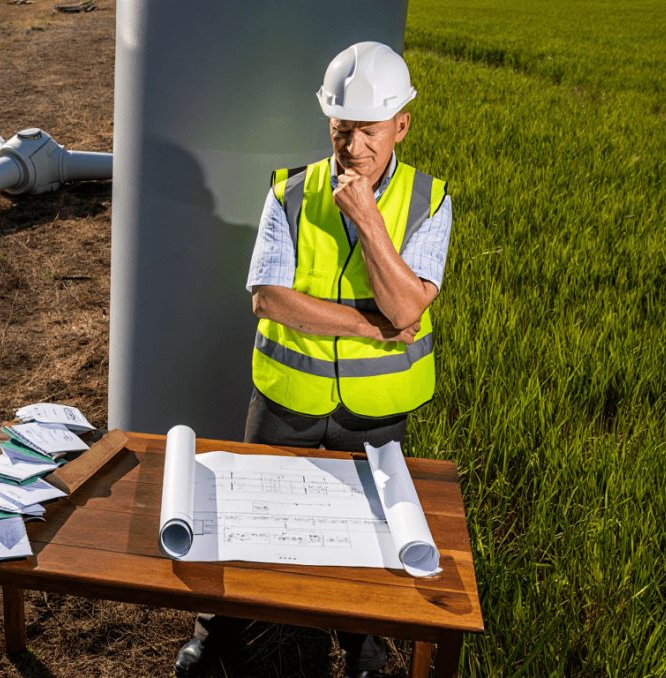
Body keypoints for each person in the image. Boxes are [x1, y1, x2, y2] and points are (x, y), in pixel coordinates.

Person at [174, 41, 454, 678]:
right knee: (243, 517)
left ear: (401, 126)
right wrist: (377, 327)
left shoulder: (429, 203)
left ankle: (362, 647)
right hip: (287, 397)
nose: (353, 146)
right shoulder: (290, 193)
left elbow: (411, 305)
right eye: (341, 129)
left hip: (376, 409)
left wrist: (369, 221)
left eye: (369, 131)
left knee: (376, 529)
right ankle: (215, 634)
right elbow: (271, 300)